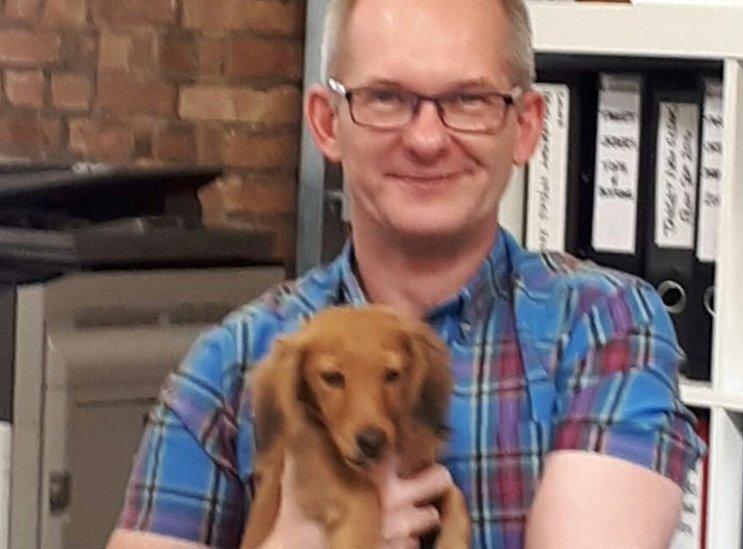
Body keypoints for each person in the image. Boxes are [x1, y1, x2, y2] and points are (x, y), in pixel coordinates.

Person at [106, 0, 706, 547]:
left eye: (469, 99)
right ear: (326, 123)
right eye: (386, 98)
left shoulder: (602, 329)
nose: (425, 139)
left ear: (525, 126)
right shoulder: (235, 362)